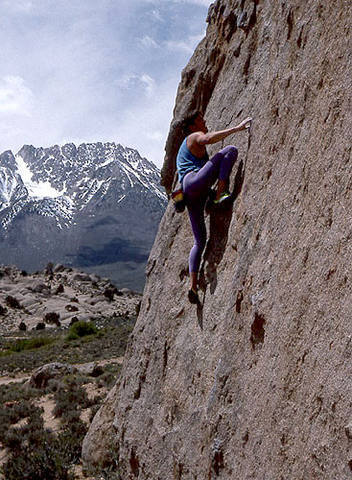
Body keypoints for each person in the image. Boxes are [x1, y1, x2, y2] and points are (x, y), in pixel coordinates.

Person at [176, 111, 252, 304]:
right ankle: (220, 194)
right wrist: (237, 128)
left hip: (192, 194)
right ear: (193, 126)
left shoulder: (184, 151)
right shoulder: (193, 137)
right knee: (230, 151)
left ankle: (193, 286)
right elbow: (208, 138)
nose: (205, 121)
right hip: (195, 183)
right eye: (200, 120)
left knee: (199, 241)